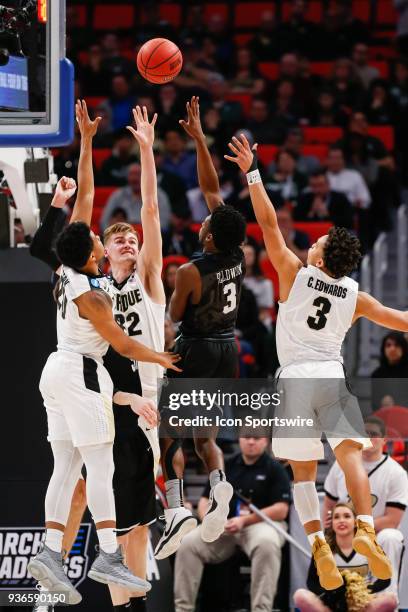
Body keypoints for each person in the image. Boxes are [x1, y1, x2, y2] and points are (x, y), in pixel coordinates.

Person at [224, 133, 408, 591]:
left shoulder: (294, 273)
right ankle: (365, 529)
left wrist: (252, 171)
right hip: (331, 376)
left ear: (321, 256)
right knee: (350, 458)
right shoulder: (355, 296)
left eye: (318, 241)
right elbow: (400, 319)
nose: (311, 243)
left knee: (303, 473)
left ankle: (320, 548)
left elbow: (267, 222)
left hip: (294, 382)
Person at [30, 102, 178, 612]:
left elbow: (145, 210)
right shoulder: (92, 287)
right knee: (83, 480)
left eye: (130, 236)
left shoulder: (142, 280)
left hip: (124, 399)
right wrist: (159, 358)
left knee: (107, 494)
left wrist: (140, 150)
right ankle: (57, 577)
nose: (127, 238)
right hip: (99, 383)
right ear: (101, 252)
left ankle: (99, 578)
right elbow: (120, 345)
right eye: (117, 238)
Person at [154, 97, 247, 560]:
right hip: (227, 349)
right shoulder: (236, 253)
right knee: (205, 439)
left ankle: (174, 509)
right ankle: (219, 484)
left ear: (208, 235)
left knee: (167, 434)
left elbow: (174, 314)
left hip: (193, 348)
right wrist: (198, 140)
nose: (206, 216)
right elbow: (213, 191)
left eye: (206, 221)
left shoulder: (189, 271)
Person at [174, 436, 291, 612]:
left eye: (257, 438)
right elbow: (205, 500)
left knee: (267, 542)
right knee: (188, 543)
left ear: (265, 441)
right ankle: (183, 609)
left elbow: (281, 509)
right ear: (240, 439)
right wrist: (211, 520)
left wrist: (244, 520)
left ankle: (262, 609)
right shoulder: (226, 465)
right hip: (225, 526)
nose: (251, 442)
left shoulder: (275, 468)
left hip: (259, 524)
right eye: (247, 437)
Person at [323, 416, 408, 602]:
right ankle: (332, 601)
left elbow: (392, 520)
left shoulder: (396, 473)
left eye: (374, 434)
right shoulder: (340, 465)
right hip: (344, 534)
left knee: (391, 537)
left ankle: (386, 600)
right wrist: (330, 529)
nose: (369, 438)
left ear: (384, 439)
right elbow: (328, 506)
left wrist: (357, 528)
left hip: (377, 536)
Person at [294, 503, 398, 612]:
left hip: (363, 604)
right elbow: (311, 582)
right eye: (336, 517)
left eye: (347, 516)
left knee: (390, 599)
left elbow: (385, 579)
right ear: (332, 523)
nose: (341, 520)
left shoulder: (368, 545)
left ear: (355, 522)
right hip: (333, 604)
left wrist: (362, 591)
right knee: (300, 596)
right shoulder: (322, 550)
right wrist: (330, 594)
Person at [100, 162, 171, 232]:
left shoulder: (159, 196)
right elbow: (104, 221)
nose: (134, 178)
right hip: (122, 236)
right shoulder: (118, 195)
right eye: (131, 174)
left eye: (138, 174)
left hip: (149, 237)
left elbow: (164, 223)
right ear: (127, 177)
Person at [326, 146, 371, 210]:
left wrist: (359, 203)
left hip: (351, 210)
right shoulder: (321, 177)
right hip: (328, 212)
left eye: (338, 158)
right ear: (327, 160)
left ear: (344, 160)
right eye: (332, 158)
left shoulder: (355, 175)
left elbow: (366, 199)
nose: (335, 161)